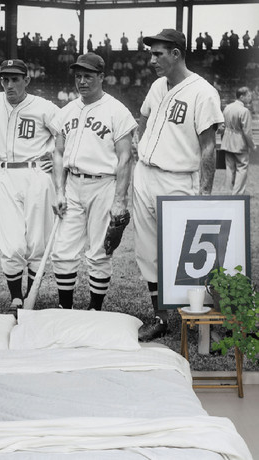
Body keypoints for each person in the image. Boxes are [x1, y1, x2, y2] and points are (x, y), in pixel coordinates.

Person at [134, 29, 223, 341]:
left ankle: (203, 324)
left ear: (176, 54)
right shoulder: (159, 85)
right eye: (152, 53)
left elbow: (209, 148)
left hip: (177, 179)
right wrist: (140, 143)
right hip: (144, 173)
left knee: (189, 254)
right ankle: (160, 318)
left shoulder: (203, 92)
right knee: (148, 252)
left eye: (158, 53)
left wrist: (205, 197)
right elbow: (144, 116)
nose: (152, 59)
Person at [51, 53, 136, 310]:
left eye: (88, 75)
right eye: (78, 76)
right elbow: (57, 152)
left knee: (100, 253)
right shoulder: (66, 111)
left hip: (103, 184)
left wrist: (120, 200)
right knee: (63, 251)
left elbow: (125, 158)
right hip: (73, 184)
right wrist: (59, 191)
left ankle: (94, 309)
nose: (82, 81)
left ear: (101, 77)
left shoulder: (117, 111)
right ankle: (65, 309)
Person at [0, 59, 59, 312]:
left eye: (15, 79)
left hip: (36, 176)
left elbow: (67, 133)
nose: (9, 84)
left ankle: (31, 295)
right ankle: (16, 297)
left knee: (37, 242)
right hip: (5, 175)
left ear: (27, 80)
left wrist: (54, 155)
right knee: (10, 244)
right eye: (5, 79)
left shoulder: (44, 106)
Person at [220, 87, 256, 195]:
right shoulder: (244, 111)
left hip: (227, 142)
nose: (250, 98)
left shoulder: (227, 108)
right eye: (248, 96)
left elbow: (222, 126)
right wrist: (252, 145)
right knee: (242, 168)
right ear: (241, 97)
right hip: (240, 144)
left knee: (229, 168)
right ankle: (237, 194)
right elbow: (247, 132)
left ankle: (228, 192)